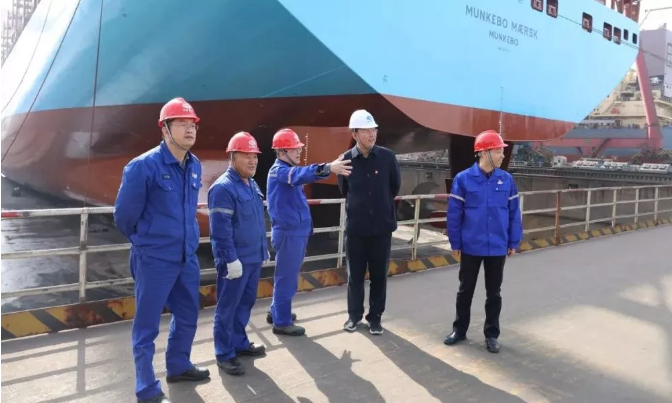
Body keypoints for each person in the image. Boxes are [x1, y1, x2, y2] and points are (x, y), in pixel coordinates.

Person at [114, 97, 210, 403]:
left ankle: (178, 365)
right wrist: (148, 242)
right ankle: (146, 388)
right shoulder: (143, 167)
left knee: (188, 313)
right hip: (154, 259)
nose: (190, 129)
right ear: (165, 129)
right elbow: (124, 217)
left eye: (193, 124)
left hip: (186, 257)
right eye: (182, 124)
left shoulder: (194, 165)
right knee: (147, 325)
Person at [266, 128, 353, 336]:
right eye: (294, 149)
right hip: (289, 233)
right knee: (286, 278)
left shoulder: (287, 171)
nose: (299, 151)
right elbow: (300, 174)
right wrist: (329, 167)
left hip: (295, 232)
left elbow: (301, 176)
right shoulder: (280, 171)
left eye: (298, 148)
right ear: (281, 152)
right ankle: (281, 322)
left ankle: (276, 311)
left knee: (287, 275)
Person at [443, 129, 523, 353]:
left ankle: (492, 335)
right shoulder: (463, 179)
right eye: (498, 151)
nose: (502, 155)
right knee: (465, 290)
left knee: (494, 293)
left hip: (497, 246)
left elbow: (514, 213)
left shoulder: (506, 180)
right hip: (471, 245)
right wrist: (456, 243)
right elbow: (454, 214)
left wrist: (513, 241)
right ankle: (459, 330)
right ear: (484, 152)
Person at [208, 131, 269, 376]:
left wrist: (263, 250)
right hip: (235, 262)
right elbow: (220, 230)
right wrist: (230, 259)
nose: (253, 161)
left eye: (255, 156)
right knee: (227, 307)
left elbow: (256, 221)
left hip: (253, 258)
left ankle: (239, 343)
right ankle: (224, 353)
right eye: (246, 155)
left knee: (245, 303)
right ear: (233, 157)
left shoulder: (251, 184)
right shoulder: (223, 188)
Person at [337, 109, 401, 335]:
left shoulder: (388, 158)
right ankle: (354, 316)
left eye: (373, 130)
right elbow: (344, 190)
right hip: (357, 229)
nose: (372, 134)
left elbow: (394, 187)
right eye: (366, 131)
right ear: (355, 134)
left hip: (381, 228)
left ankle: (375, 318)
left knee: (379, 276)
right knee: (355, 276)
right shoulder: (345, 160)